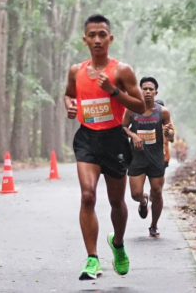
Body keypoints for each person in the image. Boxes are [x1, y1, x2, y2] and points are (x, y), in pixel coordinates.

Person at [64, 14, 146, 281]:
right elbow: (68, 93)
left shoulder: (121, 71)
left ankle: (118, 244)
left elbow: (140, 106)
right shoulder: (76, 71)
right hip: (87, 137)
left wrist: (113, 91)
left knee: (116, 202)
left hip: (114, 140)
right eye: (92, 35)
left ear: (110, 38)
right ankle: (92, 259)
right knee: (87, 196)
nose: (97, 39)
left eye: (102, 34)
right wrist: (69, 105)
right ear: (85, 39)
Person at [122, 77, 174, 238]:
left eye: (151, 89)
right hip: (137, 158)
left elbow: (171, 136)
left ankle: (153, 225)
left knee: (157, 192)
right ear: (140, 91)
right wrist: (133, 136)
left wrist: (168, 132)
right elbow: (122, 127)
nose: (148, 92)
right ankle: (143, 201)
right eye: (145, 89)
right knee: (135, 194)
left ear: (156, 92)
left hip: (156, 158)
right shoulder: (132, 110)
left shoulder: (163, 112)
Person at [154, 99, 175, 169]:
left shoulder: (168, 124)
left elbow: (171, 139)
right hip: (151, 155)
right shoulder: (150, 121)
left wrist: (168, 132)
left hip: (164, 155)